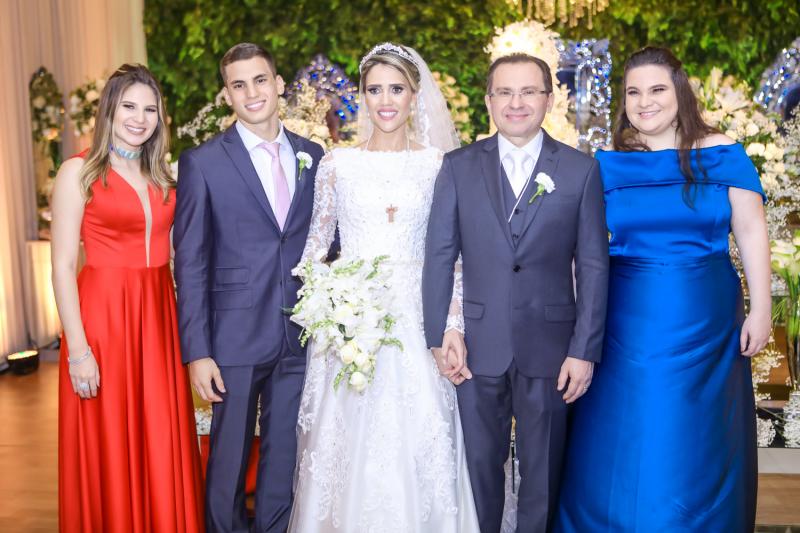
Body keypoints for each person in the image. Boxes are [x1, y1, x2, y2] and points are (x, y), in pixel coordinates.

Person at [554, 46, 771, 532]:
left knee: (697, 435)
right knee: (624, 431)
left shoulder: (721, 152)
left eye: (656, 89)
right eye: (633, 92)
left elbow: (751, 229)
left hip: (708, 318)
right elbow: (583, 248)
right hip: (624, 321)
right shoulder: (608, 165)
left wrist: (761, 310)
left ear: (680, 92)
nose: (644, 101)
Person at [288, 43, 480, 532]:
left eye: (396, 89)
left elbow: (455, 255)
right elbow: (314, 252)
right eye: (375, 90)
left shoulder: (439, 164)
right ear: (363, 96)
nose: (386, 100)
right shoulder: (337, 165)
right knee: (349, 439)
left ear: (415, 95)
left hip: (420, 317)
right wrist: (330, 304)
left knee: (421, 432)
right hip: (353, 323)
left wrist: (453, 324)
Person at [423, 53, 609, 532]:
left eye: (528, 91)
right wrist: (439, 334)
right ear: (489, 101)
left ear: (548, 99)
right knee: (479, 473)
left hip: (552, 349)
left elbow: (592, 265)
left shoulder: (581, 170)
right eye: (504, 92)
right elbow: (440, 255)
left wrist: (584, 350)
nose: (516, 102)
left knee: (543, 474)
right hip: (475, 347)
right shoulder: (458, 166)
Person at [173, 43, 325, 533]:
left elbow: (326, 243)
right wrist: (198, 351)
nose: (252, 92)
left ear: (278, 84)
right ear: (227, 95)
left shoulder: (313, 155)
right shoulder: (203, 163)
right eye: (239, 85)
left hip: (298, 332)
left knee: (284, 458)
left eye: (260, 80)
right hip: (233, 338)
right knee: (229, 461)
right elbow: (191, 262)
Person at [51, 64, 204, 532]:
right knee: (111, 438)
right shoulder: (78, 171)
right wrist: (78, 351)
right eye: (129, 107)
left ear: (161, 117)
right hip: (104, 321)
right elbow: (61, 267)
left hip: (158, 318)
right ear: (109, 111)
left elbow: (180, 254)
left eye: (150, 109)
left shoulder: (164, 176)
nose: (140, 118)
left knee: (159, 432)